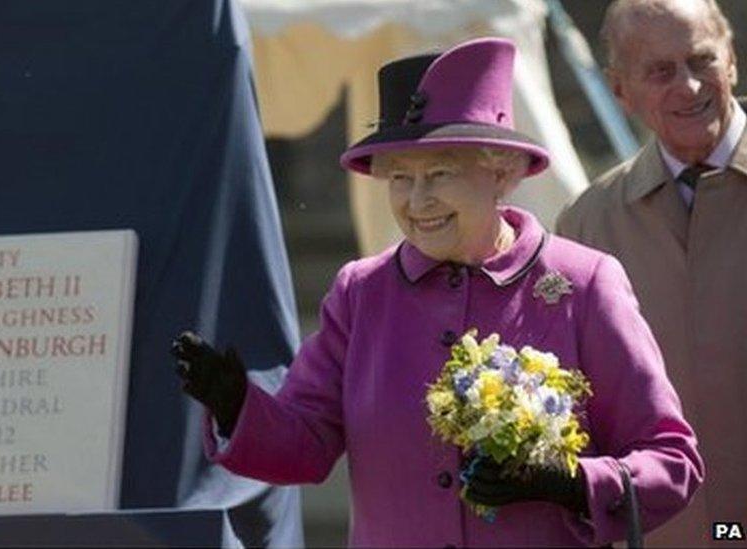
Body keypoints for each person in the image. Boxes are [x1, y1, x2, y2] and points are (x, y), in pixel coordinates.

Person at [173, 37, 702, 547]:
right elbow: (304, 446)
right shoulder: (362, 293)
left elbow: (671, 460)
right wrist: (236, 406)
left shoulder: (584, 283)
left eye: (440, 173)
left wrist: (570, 484)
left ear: (503, 174)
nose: (417, 200)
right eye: (400, 178)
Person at [556, 0, 746, 545]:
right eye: (661, 72)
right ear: (620, 91)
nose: (688, 88)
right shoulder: (586, 225)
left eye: (701, 61)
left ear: (731, 58)